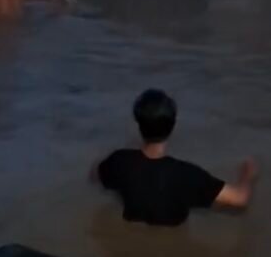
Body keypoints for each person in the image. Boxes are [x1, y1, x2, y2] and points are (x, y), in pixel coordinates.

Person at [93, 89, 259, 226]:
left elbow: (96, 177)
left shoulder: (118, 161)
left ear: (138, 124)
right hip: (172, 235)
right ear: (173, 125)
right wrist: (248, 175)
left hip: (132, 232)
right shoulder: (188, 176)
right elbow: (240, 199)